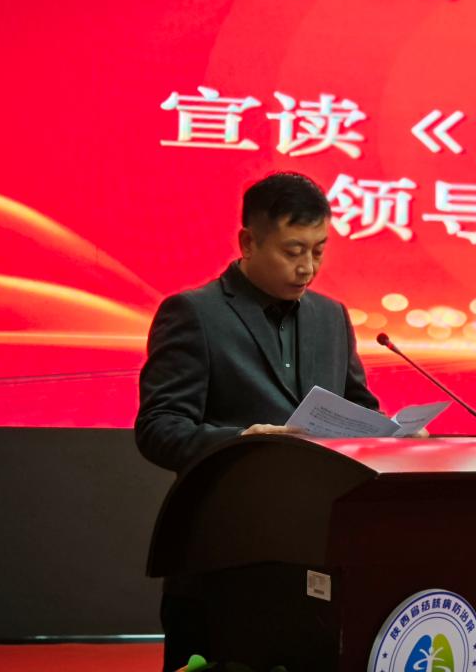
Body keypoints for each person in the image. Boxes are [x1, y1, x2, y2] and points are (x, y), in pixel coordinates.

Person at [135, 171, 380, 671]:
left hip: (316, 550)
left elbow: (359, 409)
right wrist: (240, 443)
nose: (308, 267)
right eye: (293, 251)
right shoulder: (195, 314)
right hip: (221, 552)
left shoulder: (331, 317)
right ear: (249, 242)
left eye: (319, 250)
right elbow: (159, 428)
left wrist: (392, 435)